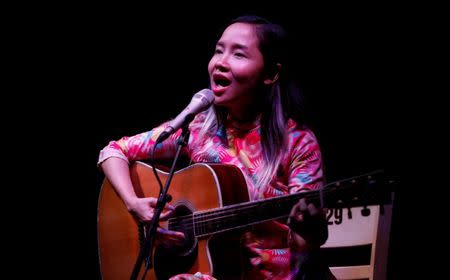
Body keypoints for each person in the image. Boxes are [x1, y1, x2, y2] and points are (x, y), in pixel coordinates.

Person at [98, 15, 335, 280]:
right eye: (218, 50)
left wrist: (311, 228)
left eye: (239, 54)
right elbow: (112, 151)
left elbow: (303, 247)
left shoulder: (298, 142)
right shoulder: (198, 131)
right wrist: (134, 204)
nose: (220, 62)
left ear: (271, 73)